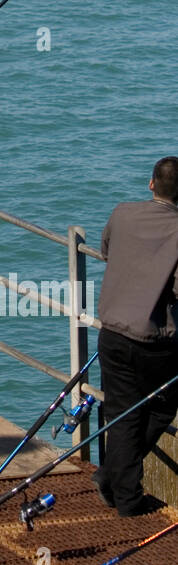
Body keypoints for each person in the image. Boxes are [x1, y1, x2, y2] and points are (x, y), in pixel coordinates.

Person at [93, 157, 178, 516]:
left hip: (112, 332)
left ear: (150, 184)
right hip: (155, 342)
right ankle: (126, 497)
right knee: (160, 408)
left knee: (122, 414)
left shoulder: (122, 213)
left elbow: (106, 251)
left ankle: (115, 478)